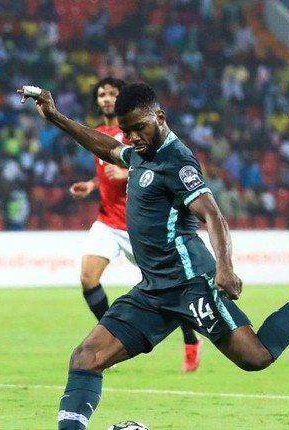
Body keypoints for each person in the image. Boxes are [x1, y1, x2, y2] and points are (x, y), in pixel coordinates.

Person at [18, 82, 289, 430]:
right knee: (86, 358)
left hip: (191, 284)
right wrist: (56, 116)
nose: (133, 138)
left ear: (159, 118)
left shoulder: (178, 162)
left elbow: (212, 214)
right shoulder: (142, 153)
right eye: (128, 131)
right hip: (153, 290)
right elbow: (106, 147)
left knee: (255, 357)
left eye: (139, 128)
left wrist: (225, 267)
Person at [69, 77, 202, 372]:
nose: (106, 99)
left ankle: (191, 339)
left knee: (171, 290)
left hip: (137, 226)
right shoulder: (101, 134)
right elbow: (108, 172)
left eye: (112, 94)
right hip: (106, 222)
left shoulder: (135, 131)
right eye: (102, 94)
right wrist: (92, 185)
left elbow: (150, 169)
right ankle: (109, 339)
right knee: (88, 278)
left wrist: (125, 170)